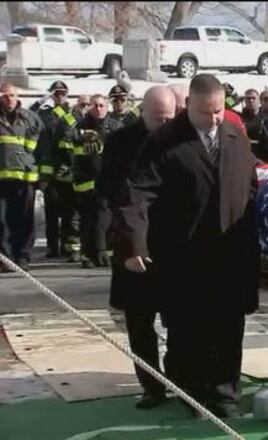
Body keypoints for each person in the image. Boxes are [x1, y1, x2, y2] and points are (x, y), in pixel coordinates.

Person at [115, 74, 260, 418]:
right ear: (189, 104)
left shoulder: (234, 135)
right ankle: (192, 394)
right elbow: (136, 193)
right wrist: (133, 243)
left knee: (228, 330)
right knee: (187, 331)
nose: (214, 119)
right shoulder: (164, 141)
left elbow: (250, 185)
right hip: (184, 257)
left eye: (219, 111)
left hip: (230, 254)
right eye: (207, 112)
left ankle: (225, 396)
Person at [99, 86, 176, 409]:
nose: (163, 123)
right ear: (142, 111)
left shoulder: (182, 138)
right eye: (157, 117)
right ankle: (151, 385)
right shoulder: (120, 142)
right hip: (133, 247)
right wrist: (115, 242)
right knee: (139, 321)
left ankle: (181, 377)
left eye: (169, 117)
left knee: (180, 318)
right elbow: (108, 193)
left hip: (174, 246)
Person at [68, 94, 125, 268]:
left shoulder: (116, 127)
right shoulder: (79, 128)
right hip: (85, 181)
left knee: (105, 219)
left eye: (101, 105)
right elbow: (73, 153)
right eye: (95, 105)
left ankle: (104, 253)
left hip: (108, 182)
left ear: (107, 107)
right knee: (87, 220)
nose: (98, 109)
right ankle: (88, 255)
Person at [0, 82, 43, 272]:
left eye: (11, 95)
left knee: (24, 220)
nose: (8, 99)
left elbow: (43, 150)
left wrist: (43, 177)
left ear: (18, 97)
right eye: (4, 95)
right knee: (1, 220)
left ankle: (23, 256)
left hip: (25, 179)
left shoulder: (31, 119)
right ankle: (5, 259)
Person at [34, 80, 79, 259]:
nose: (59, 96)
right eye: (56, 93)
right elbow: (30, 116)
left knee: (69, 212)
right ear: (52, 95)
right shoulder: (44, 114)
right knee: (51, 214)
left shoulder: (72, 114)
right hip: (49, 171)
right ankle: (53, 248)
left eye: (62, 93)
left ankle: (68, 246)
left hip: (66, 171)